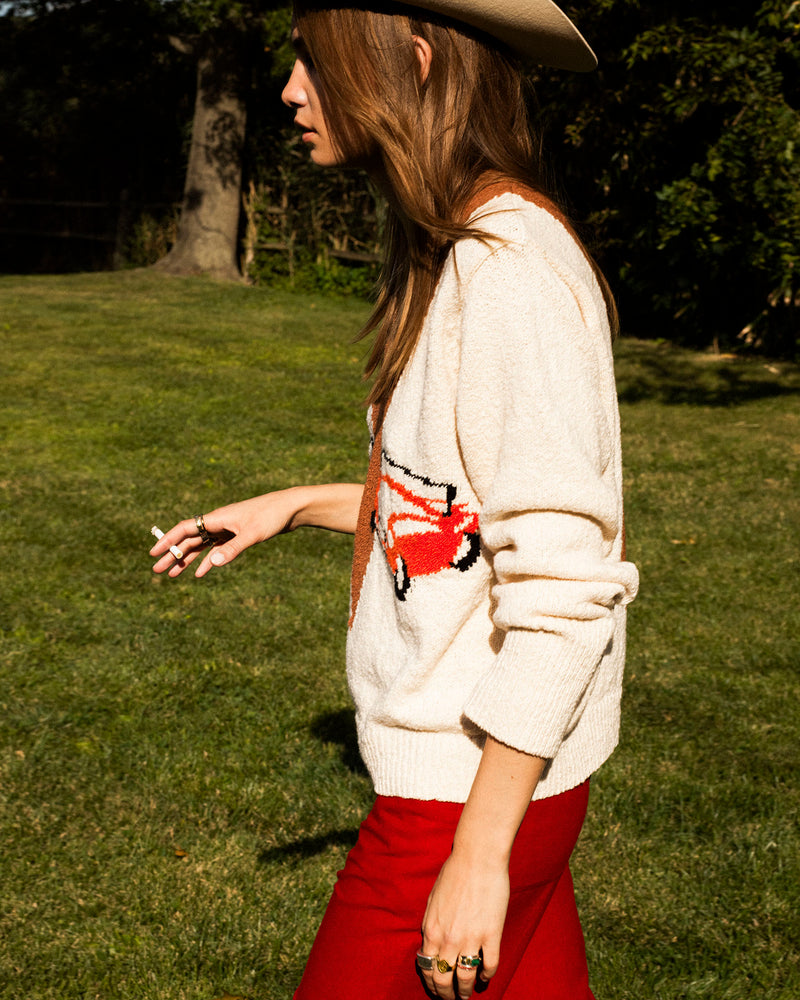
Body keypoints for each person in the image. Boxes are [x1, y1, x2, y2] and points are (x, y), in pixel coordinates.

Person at [149, 1, 639, 997]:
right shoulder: (456, 247)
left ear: (412, 64)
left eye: (315, 61)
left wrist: (477, 857)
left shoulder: (507, 273)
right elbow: (456, 518)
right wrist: (289, 505)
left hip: (459, 799)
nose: (290, 90)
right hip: (505, 788)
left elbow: (565, 592)